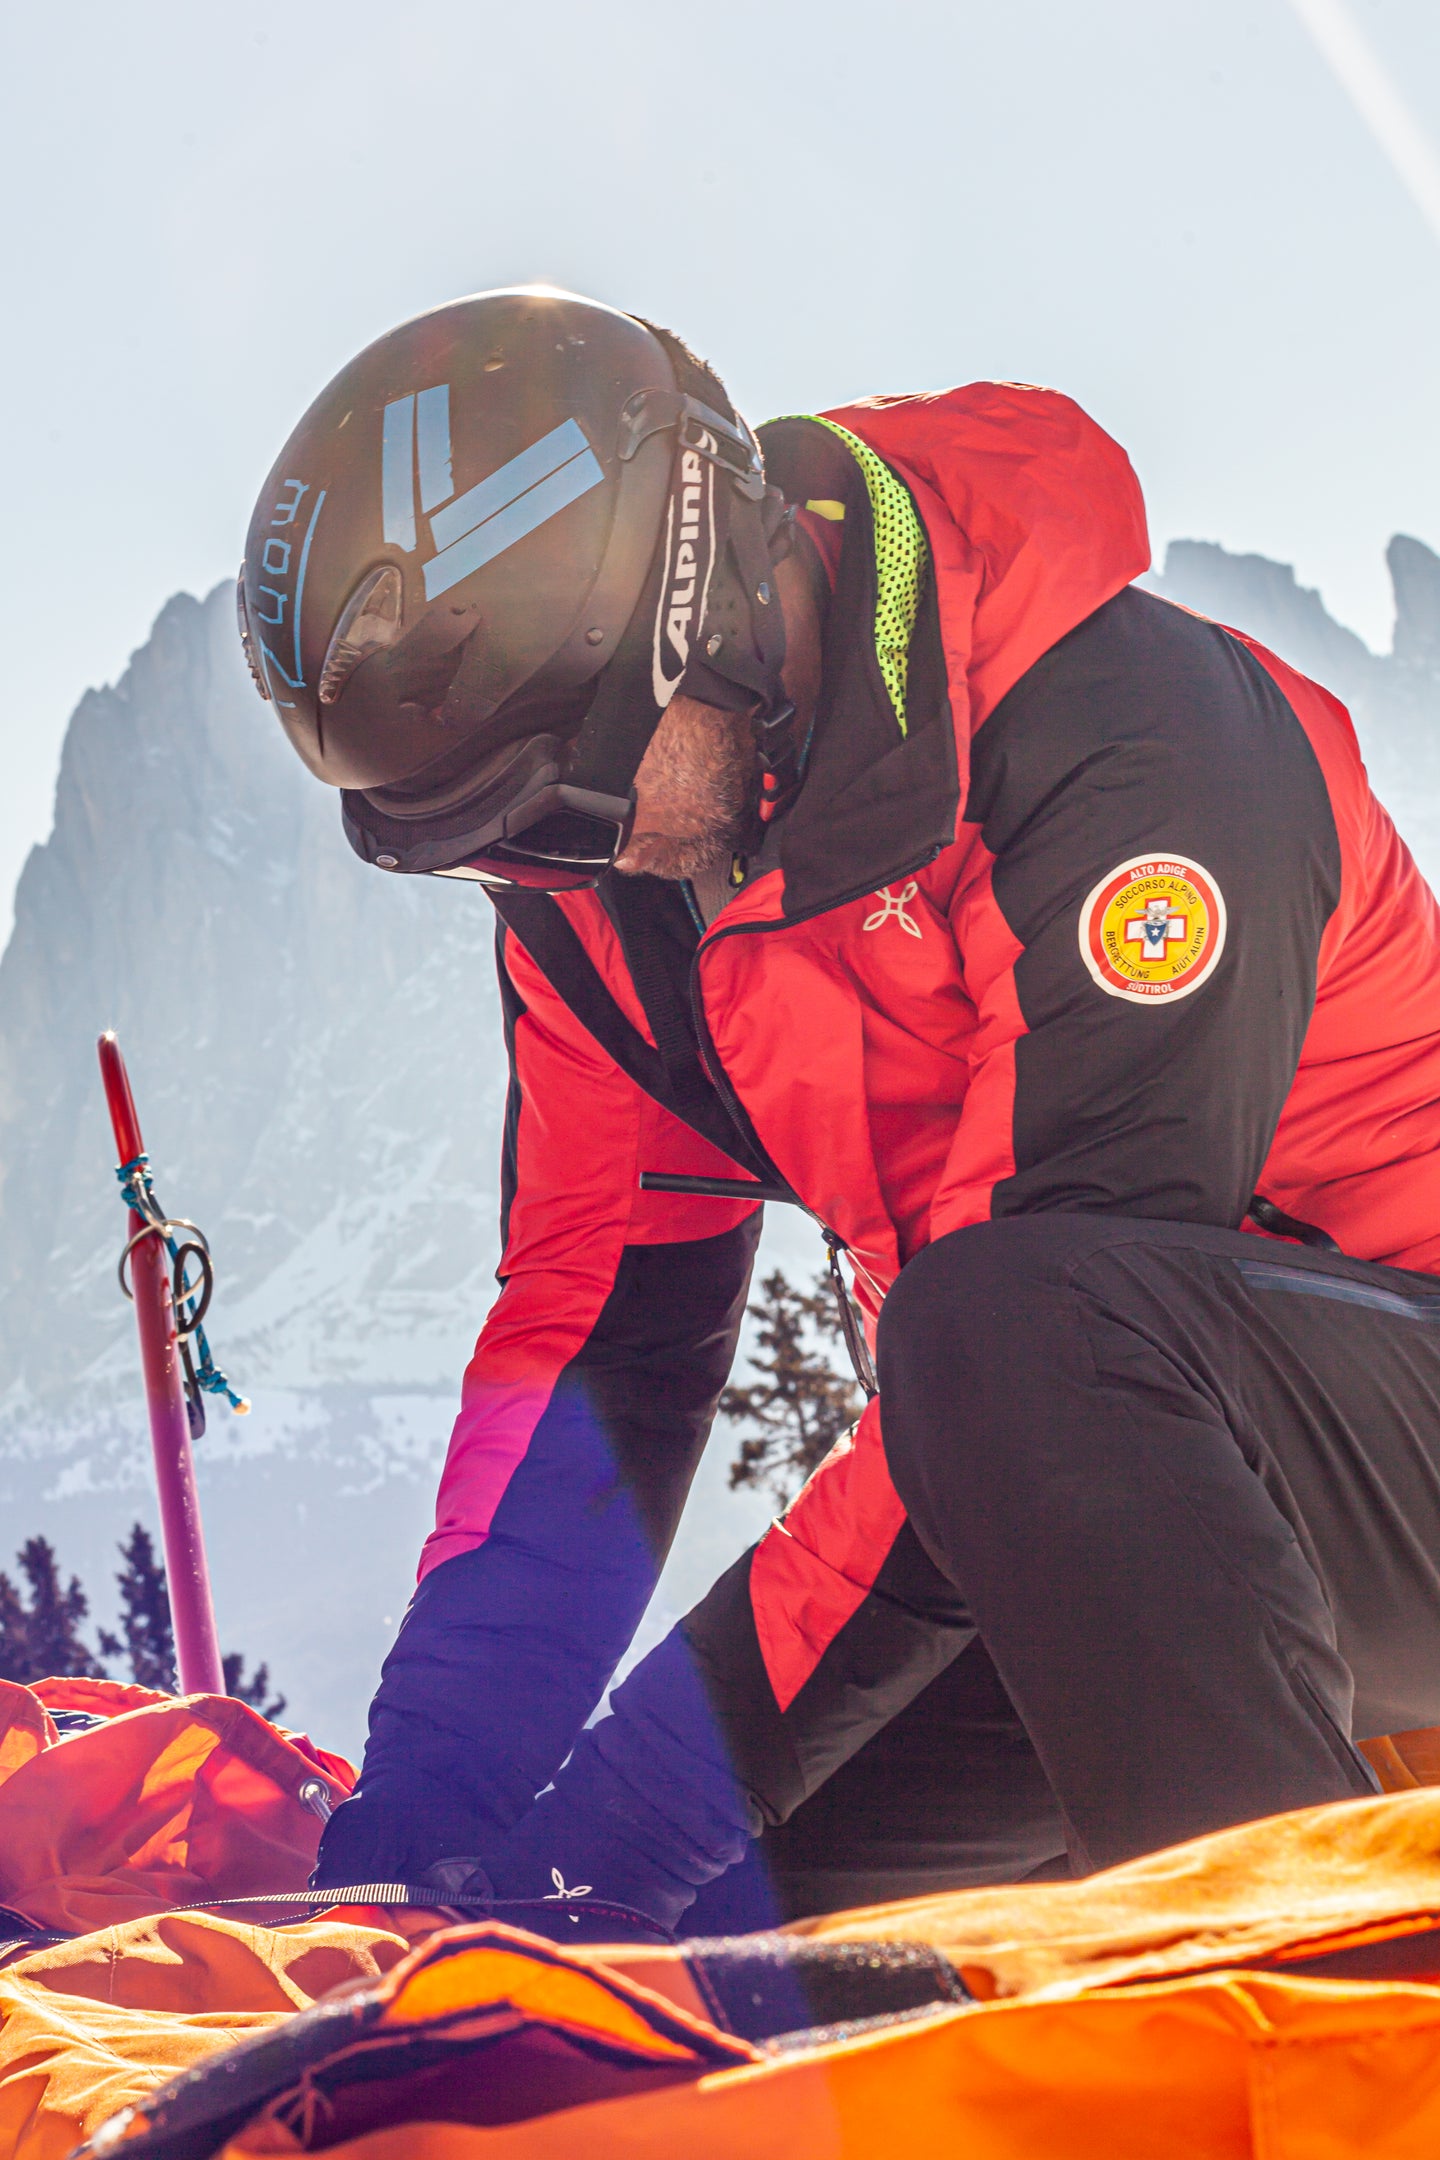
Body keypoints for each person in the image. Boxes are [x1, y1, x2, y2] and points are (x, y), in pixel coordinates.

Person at [239, 286, 1440, 1933]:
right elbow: (603, 1351)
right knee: (706, 1930)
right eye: (490, 848)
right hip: (1110, 1495)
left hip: (1376, 1415)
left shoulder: (1129, 745)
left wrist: (616, 1820)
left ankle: (1335, 2015)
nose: (550, 871)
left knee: (1009, 1329)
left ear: (707, 627)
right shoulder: (603, 895)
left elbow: (1034, 1360)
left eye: (560, 804)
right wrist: (424, 1825)